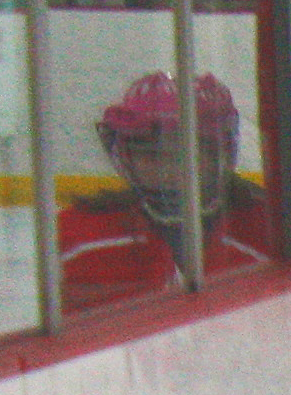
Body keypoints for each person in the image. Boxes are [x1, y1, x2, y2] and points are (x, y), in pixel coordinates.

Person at [56, 71, 275, 308]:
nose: (168, 171)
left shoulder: (269, 230)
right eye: (152, 155)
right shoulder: (80, 234)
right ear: (126, 155)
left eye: (187, 155)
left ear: (221, 153)